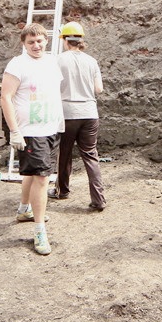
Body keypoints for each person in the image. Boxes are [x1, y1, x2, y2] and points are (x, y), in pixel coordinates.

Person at [1, 23, 64, 255]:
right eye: (31, 42)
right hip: (31, 131)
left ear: (46, 40)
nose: (36, 45)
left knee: (33, 173)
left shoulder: (51, 61)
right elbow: (6, 97)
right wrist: (14, 130)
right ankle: (39, 231)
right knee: (41, 178)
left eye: (39, 41)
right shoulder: (17, 65)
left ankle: (24, 209)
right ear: (23, 44)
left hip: (50, 128)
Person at [49, 22, 105, 211]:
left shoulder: (57, 60)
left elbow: (51, 88)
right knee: (91, 156)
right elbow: (99, 89)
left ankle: (62, 190)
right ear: (81, 41)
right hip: (89, 113)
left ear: (65, 41)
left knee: (64, 154)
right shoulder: (92, 61)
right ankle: (99, 200)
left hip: (67, 114)